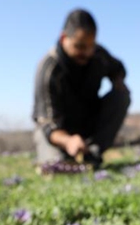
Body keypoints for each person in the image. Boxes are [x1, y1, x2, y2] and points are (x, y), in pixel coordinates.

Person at [32, 8, 130, 171]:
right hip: (57, 132)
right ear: (64, 38)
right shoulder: (49, 69)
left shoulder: (97, 54)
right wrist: (69, 141)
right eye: (80, 46)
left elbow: (118, 68)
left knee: (122, 95)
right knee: (58, 166)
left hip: (87, 121)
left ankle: (92, 153)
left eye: (91, 46)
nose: (87, 52)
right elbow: (48, 124)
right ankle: (60, 156)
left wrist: (117, 80)